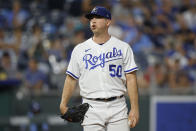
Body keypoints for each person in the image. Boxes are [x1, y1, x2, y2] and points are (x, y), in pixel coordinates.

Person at [60, 6, 139, 131]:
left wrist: (134, 108)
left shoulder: (123, 47)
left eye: (97, 17)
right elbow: (71, 79)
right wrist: (63, 104)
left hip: (117, 105)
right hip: (91, 107)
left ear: (108, 22)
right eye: (91, 18)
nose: (93, 21)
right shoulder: (79, 49)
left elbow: (131, 79)